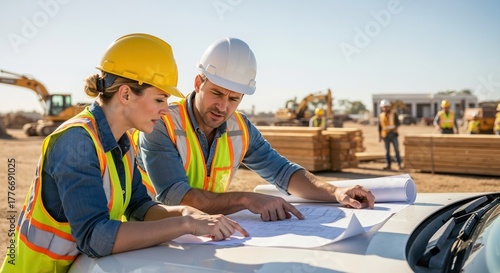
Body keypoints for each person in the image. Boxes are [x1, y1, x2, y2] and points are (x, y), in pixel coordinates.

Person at [1, 34, 248, 273]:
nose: (166, 110)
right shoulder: (76, 142)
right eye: (160, 99)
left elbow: (139, 207)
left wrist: (187, 212)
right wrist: (185, 225)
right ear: (126, 94)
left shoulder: (123, 142)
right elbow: (95, 237)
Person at [137, 37, 375, 223]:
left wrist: (335, 192)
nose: (223, 106)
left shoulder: (240, 128)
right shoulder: (162, 123)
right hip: (152, 237)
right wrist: (245, 199)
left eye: (234, 98)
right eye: (217, 93)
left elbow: (283, 172)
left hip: (204, 233)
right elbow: (175, 197)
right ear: (199, 83)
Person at [378, 99, 402, 170]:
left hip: (393, 134)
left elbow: (398, 123)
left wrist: (395, 128)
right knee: (387, 151)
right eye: (384, 107)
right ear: (382, 108)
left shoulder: (393, 114)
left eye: (386, 107)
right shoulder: (381, 116)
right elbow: (379, 127)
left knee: (396, 150)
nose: (385, 108)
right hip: (385, 135)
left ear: (389, 107)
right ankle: (388, 164)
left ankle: (399, 164)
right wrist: (379, 137)